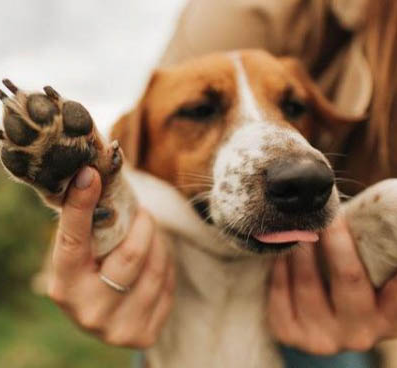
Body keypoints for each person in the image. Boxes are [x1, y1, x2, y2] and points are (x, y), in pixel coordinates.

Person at [46, 0, 397, 366]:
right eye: (200, 110)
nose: (299, 167)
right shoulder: (243, 10)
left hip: (331, 309)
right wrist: (91, 254)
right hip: (176, 302)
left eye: (293, 108)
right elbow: (117, 174)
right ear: (139, 146)